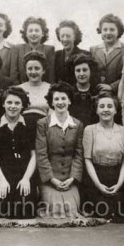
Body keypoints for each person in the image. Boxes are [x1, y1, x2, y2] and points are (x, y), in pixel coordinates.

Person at [35, 82, 84, 218]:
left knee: (71, 210)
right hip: (50, 180)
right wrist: (52, 179)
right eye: (56, 99)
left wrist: (72, 178)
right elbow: (41, 154)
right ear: (51, 102)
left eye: (63, 98)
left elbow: (79, 154)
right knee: (55, 210)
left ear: (69, 101)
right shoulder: (43, 124)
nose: (60, 102)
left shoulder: (78, 124)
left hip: (70, 180)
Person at [0, 86, 37, 219]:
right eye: (9, 102)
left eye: (17, 103)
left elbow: (34, 156)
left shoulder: (31, 124)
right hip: (2, 173)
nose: (13, 106)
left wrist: (26, 179)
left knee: (26, 211)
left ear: (23, 105)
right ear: (3, 104)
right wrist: (2, 180)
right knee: (2, 210)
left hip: (24, 172)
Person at [83, 93, 124, 218]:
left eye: (110, 106)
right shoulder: (89, 130)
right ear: (97, 110)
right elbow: (87, 159)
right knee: (98, 216)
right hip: (96, 178)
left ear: (115, 110)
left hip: (118, 178)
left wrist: (119, 184)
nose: (105, 109)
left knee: (120, 216)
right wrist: (98, 185)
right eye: (102, 106)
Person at [90, 13, 124, 94]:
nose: (108, 33)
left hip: (119, 94)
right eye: (105, 29)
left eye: (112, 29)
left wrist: (112, 87)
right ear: (100, 31)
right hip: (97, 94)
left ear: (119, 31)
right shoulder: (93, 50)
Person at [18, 51, 51, 134]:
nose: (33, 72)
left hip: (44, 129)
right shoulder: (18, 89)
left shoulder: (50, 89)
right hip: (22, 130)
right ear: (25, 71)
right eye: (29, 69)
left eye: (37, 68)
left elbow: (52, 115)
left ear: (43, 70)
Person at [16, 16, 55, 84]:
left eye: (37, 31)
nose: (33, 33)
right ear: (26, 34)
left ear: (42, 33)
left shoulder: (49, 49)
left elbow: (50, 76)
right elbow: (14, 75)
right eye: (30, 31)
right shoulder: (18, 49)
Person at [55, 20, 89, 85]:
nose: (65, 39)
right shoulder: (55, 55)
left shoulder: (86, 55)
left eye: (68, 36)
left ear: (75, 37)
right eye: (62, 36)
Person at [69, 53, 99, 127]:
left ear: (90, 71)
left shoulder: (97, 91)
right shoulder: (68, 92)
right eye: (78, 70)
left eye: (85, 70)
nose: (81, 73)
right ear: (74, 72)